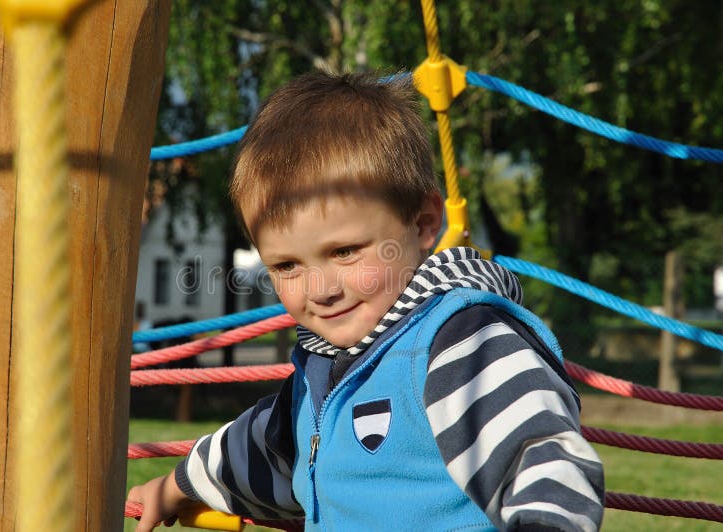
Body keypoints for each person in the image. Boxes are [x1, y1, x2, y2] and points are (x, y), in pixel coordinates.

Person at [128, 71, 605, 531]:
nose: (321, 289)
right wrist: (176, 486)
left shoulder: (459, 342)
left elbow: (542, 464)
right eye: (287, 266)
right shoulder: (325, 370)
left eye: (344, 251)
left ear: (421, 224)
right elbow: (263, 450)